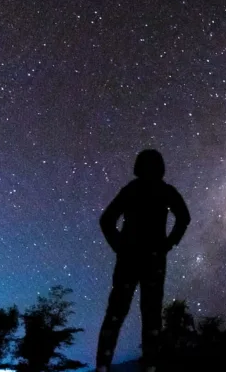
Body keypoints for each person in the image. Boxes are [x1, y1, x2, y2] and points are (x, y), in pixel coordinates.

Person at [96, 149, 191, 372]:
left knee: (120, 314)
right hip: (150, 261)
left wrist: (121, 246)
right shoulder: (162, 191)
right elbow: (184, 218)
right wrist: (167, 244)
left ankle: (104, 366)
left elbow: (106, 220)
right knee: (149, 316)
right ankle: (148, 366)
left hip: (135, 260)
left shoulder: (134, 190)